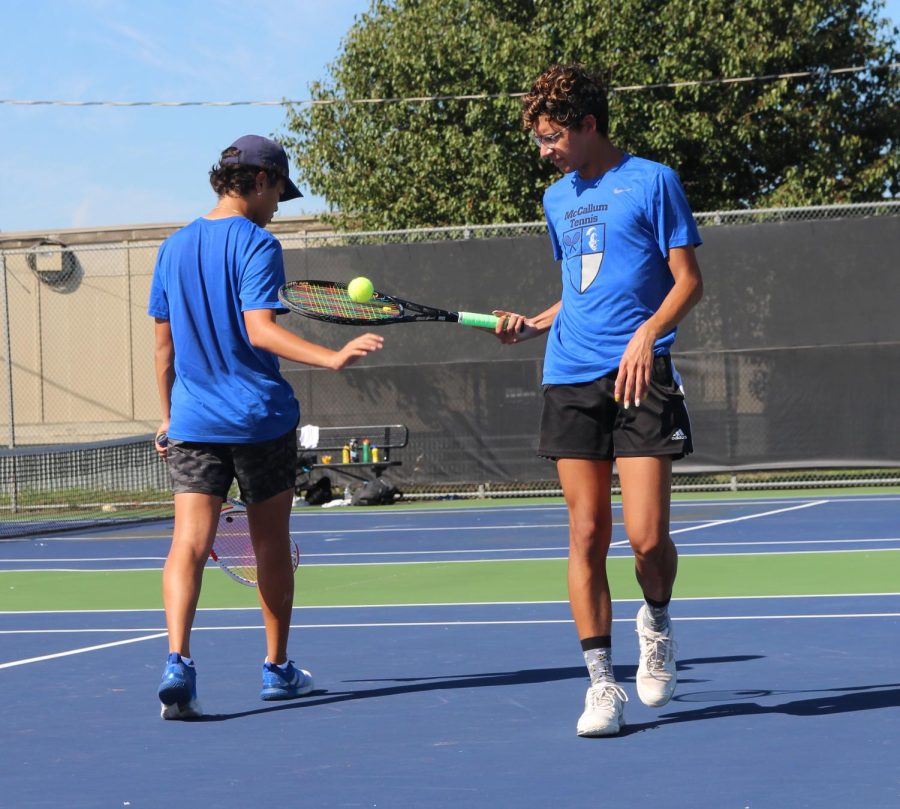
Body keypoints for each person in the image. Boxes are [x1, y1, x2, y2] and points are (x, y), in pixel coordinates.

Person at [492, 65, 703, 736]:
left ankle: (658, 621)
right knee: (586, 532)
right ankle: (601, 686)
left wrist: (648, 334)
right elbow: (582, 291)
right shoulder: (557, 200)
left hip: (642, 376)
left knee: (646, 538)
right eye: (538, 140)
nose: (545, 151)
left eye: (552, 137)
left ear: (588, 125)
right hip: (569, 376)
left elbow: (687, 281)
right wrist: (533, 321)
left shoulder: (653, 180)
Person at [148, 134, 384, 720]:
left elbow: (162, 346)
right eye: (279, 190)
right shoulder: (258, 242)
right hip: (258, 420)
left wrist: (168, 416)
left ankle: (177, 661)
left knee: (188, 545)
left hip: (194, 422)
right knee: (270, 545)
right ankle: (277, 670)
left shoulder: (172, 248)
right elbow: (259, 329)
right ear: (258, 181)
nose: (280, 204)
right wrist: (331, 358)